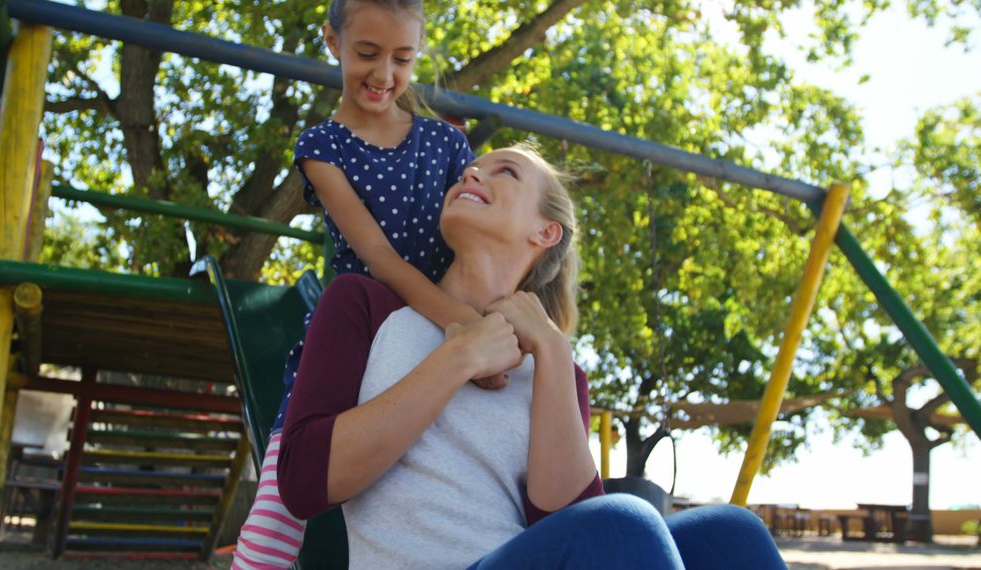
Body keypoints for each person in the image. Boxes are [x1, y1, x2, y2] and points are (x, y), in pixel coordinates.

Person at [277, 144, 789, 569]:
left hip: (514, 556)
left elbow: (569, 523)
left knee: (731, 533)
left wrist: (551, 348)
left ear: (545, 232)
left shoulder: (556, 371)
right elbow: (303, 483)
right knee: (623, 522)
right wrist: (459, 356)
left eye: (505, 171)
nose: (474, 172)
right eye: (471, 169)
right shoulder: (364, 304)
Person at [232, 0, 497, 566]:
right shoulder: (322, 147)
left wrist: (483, 322)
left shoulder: (448, 145)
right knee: (280, 498)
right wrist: (465, 327)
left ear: (418, 51)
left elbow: (477, 238)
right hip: (355, 330)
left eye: (402, 58)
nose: (384, 75)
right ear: (333, 42)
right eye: (367, 54)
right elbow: (377, 255)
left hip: (436, 329)